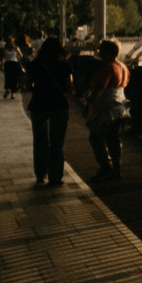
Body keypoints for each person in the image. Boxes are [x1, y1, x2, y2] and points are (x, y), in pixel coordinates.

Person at [80, 38, 130, 181]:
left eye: (101, 50)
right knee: (113, 137)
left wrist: (89, 103)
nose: (99, 53)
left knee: (96, 137)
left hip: (106, 107)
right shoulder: (122, 66)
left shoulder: (107, 67)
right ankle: (116, 168)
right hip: (120, 105)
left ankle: (106, 166)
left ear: (108, 53)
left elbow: (100, 87)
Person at [26, 36, 73, 185]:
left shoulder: (34, 64)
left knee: (39, 141)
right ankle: (56, 177)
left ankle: (40, 175)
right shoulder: (64, 66)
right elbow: (69, 86)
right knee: (57, 143)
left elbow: (27, 85)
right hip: (59, 105)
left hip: (38, 105)